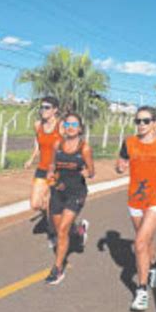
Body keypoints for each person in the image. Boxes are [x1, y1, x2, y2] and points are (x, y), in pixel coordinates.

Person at [116, 106, 156, 312]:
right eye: (138, 121)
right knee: (147, 241)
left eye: (145, 121)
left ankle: (141, 291)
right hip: (135, 200)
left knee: (140, 242)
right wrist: (120, 167)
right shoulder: (129, 143)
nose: (141, 125)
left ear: (153, 123)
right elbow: (120, 162)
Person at [44, 113, 94, 285]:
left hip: (76, 193)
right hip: (58, 190)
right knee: (59, 230)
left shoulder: (84, 148)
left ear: (80, 128)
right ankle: (79, 231)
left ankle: (58, 269)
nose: (70, 127)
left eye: (74, 124)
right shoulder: (57, 144)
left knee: (63, 230)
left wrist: (88, 172)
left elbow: (92, 171)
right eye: (67, 124)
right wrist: (50, 172)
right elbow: (52, 164)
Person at [24, 96, 63, 244]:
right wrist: (31, 158)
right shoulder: (37, 125)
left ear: (55, 110)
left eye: (47, 107)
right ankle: (55, 217)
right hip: (41, 169)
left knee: (50, 203)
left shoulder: (61, 126)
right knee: (35, 204)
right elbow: (37, 143)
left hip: (57, 171)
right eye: (42, 107)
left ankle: (53, 233)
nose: (43, 110)